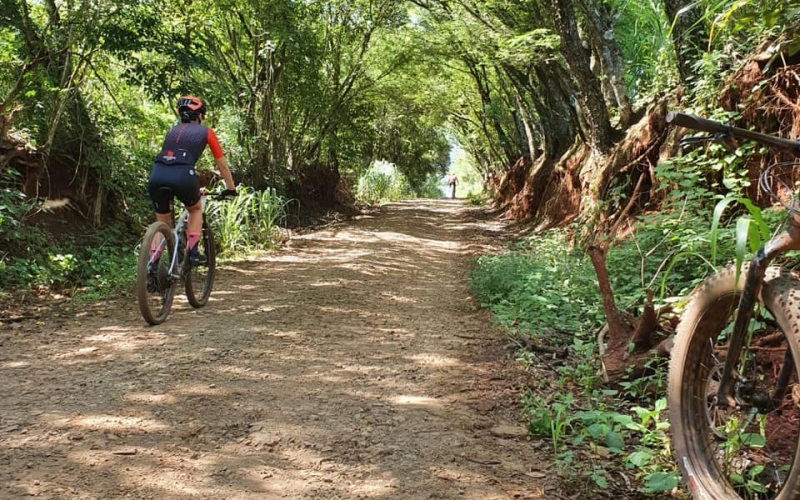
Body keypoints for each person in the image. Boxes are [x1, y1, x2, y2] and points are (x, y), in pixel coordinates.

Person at [148, 95, 236, 266]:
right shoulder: (206, 132)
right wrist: (231, 189)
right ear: (199, 116)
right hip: (182, 175)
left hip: (157, 174)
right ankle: (193, 254)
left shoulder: (172, 131)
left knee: (162, 222)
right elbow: (222, 166)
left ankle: (151, 265)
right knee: (195, 209)